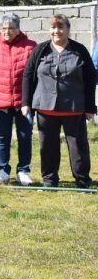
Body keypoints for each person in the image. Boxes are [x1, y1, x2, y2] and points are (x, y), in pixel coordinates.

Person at [22, 15, 96, 188]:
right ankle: (49, 181)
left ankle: (82, 181)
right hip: (45, 108)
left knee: (78, 148)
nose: (57, 31)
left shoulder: (79, 50)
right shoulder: (40, 49)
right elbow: (27, 75)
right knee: (47, 147)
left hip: (73, 108)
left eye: (60, 27)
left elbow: (90, 78)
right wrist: (26, 102)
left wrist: (90, 107)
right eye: (53, 27)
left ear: (68, 30)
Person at [0, 13, 36, 185]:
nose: (7, 32)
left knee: (25, 137)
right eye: (3, 29)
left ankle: (23, 171)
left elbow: (36, 76)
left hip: (24, 103)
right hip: (0, 102)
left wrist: (32, 101)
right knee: (3, 137)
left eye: (10, 28)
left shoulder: (31, 47)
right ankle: (2, 170)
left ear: (18, 29)